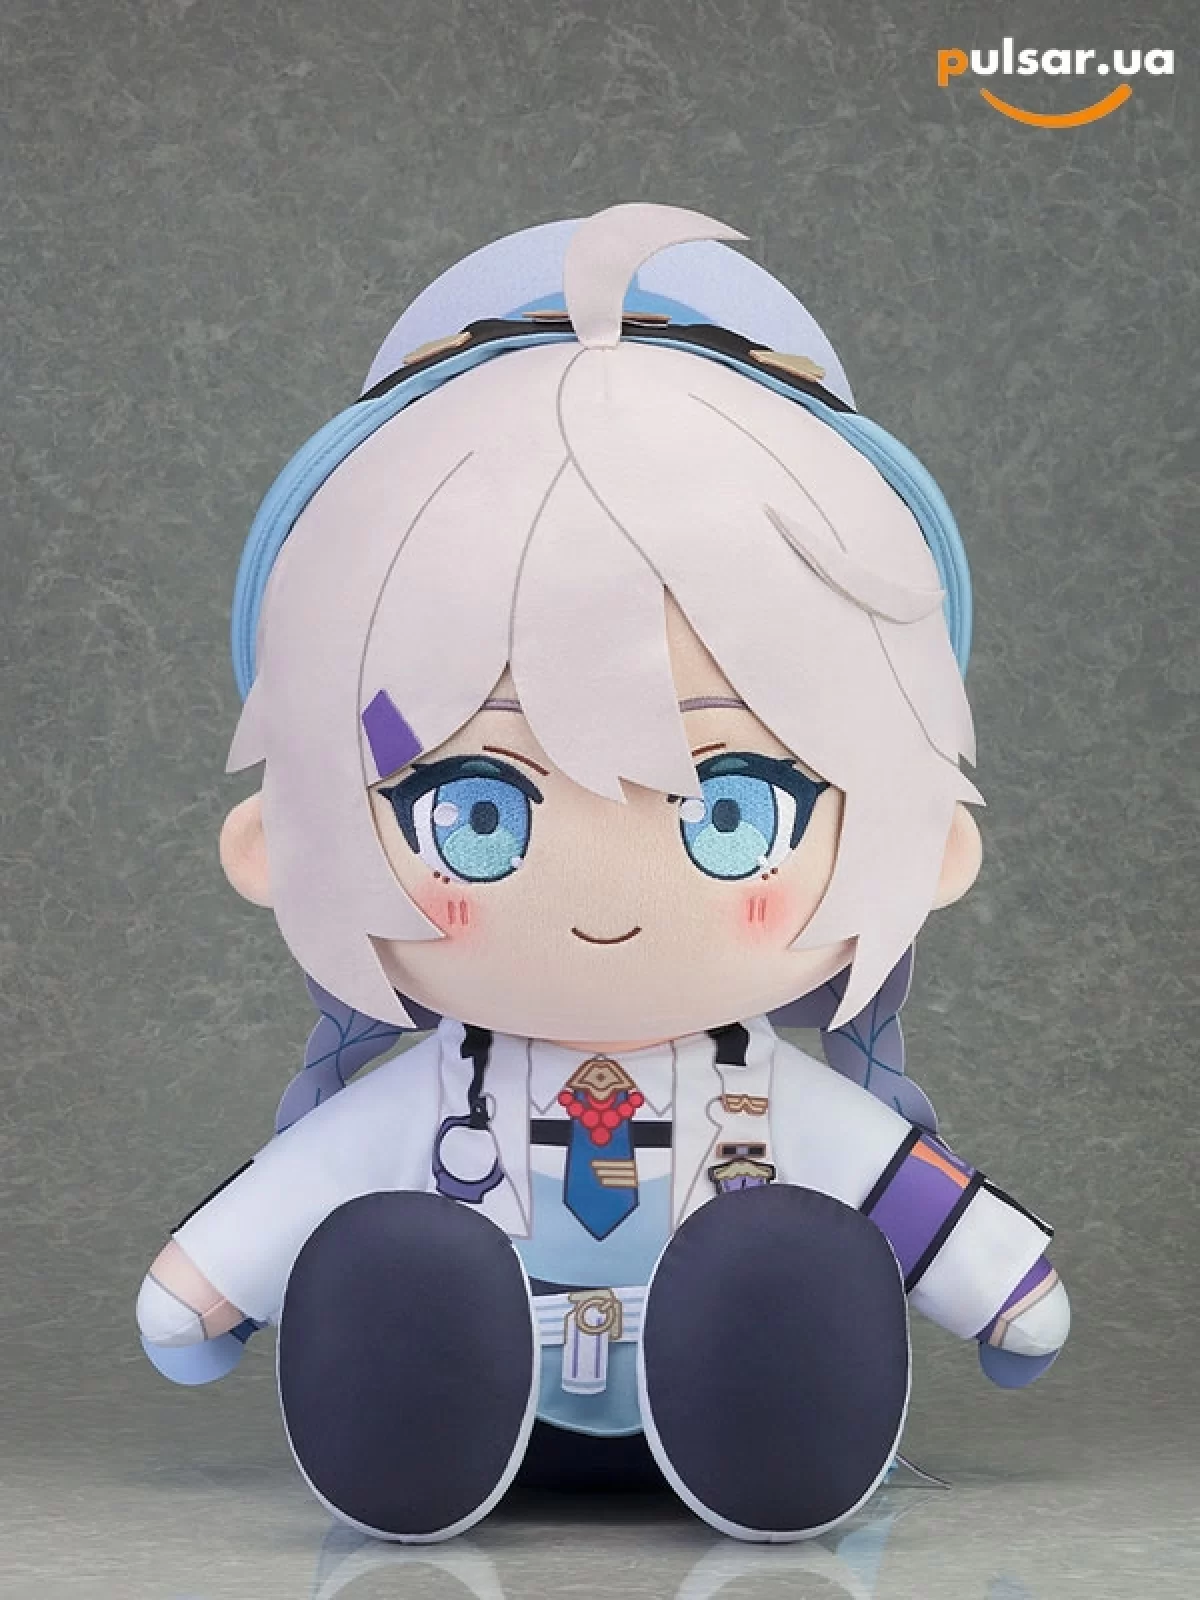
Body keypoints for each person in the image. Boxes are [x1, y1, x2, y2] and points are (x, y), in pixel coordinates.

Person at [136, 202, 1070, 1544]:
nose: (607, 898)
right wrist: (201, 1291)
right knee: (392, 1249)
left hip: (735, 1379)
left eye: (733, 811)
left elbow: (896, 1183)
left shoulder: (777, 1101)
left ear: (928, 844)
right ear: (278, 843)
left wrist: (1005, 1282)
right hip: (472, 1385)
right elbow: (293, 1195)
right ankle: (407, 1416)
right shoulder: (425, 1100)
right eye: (473, 810)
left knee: (788, 1247)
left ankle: (778, 1416)